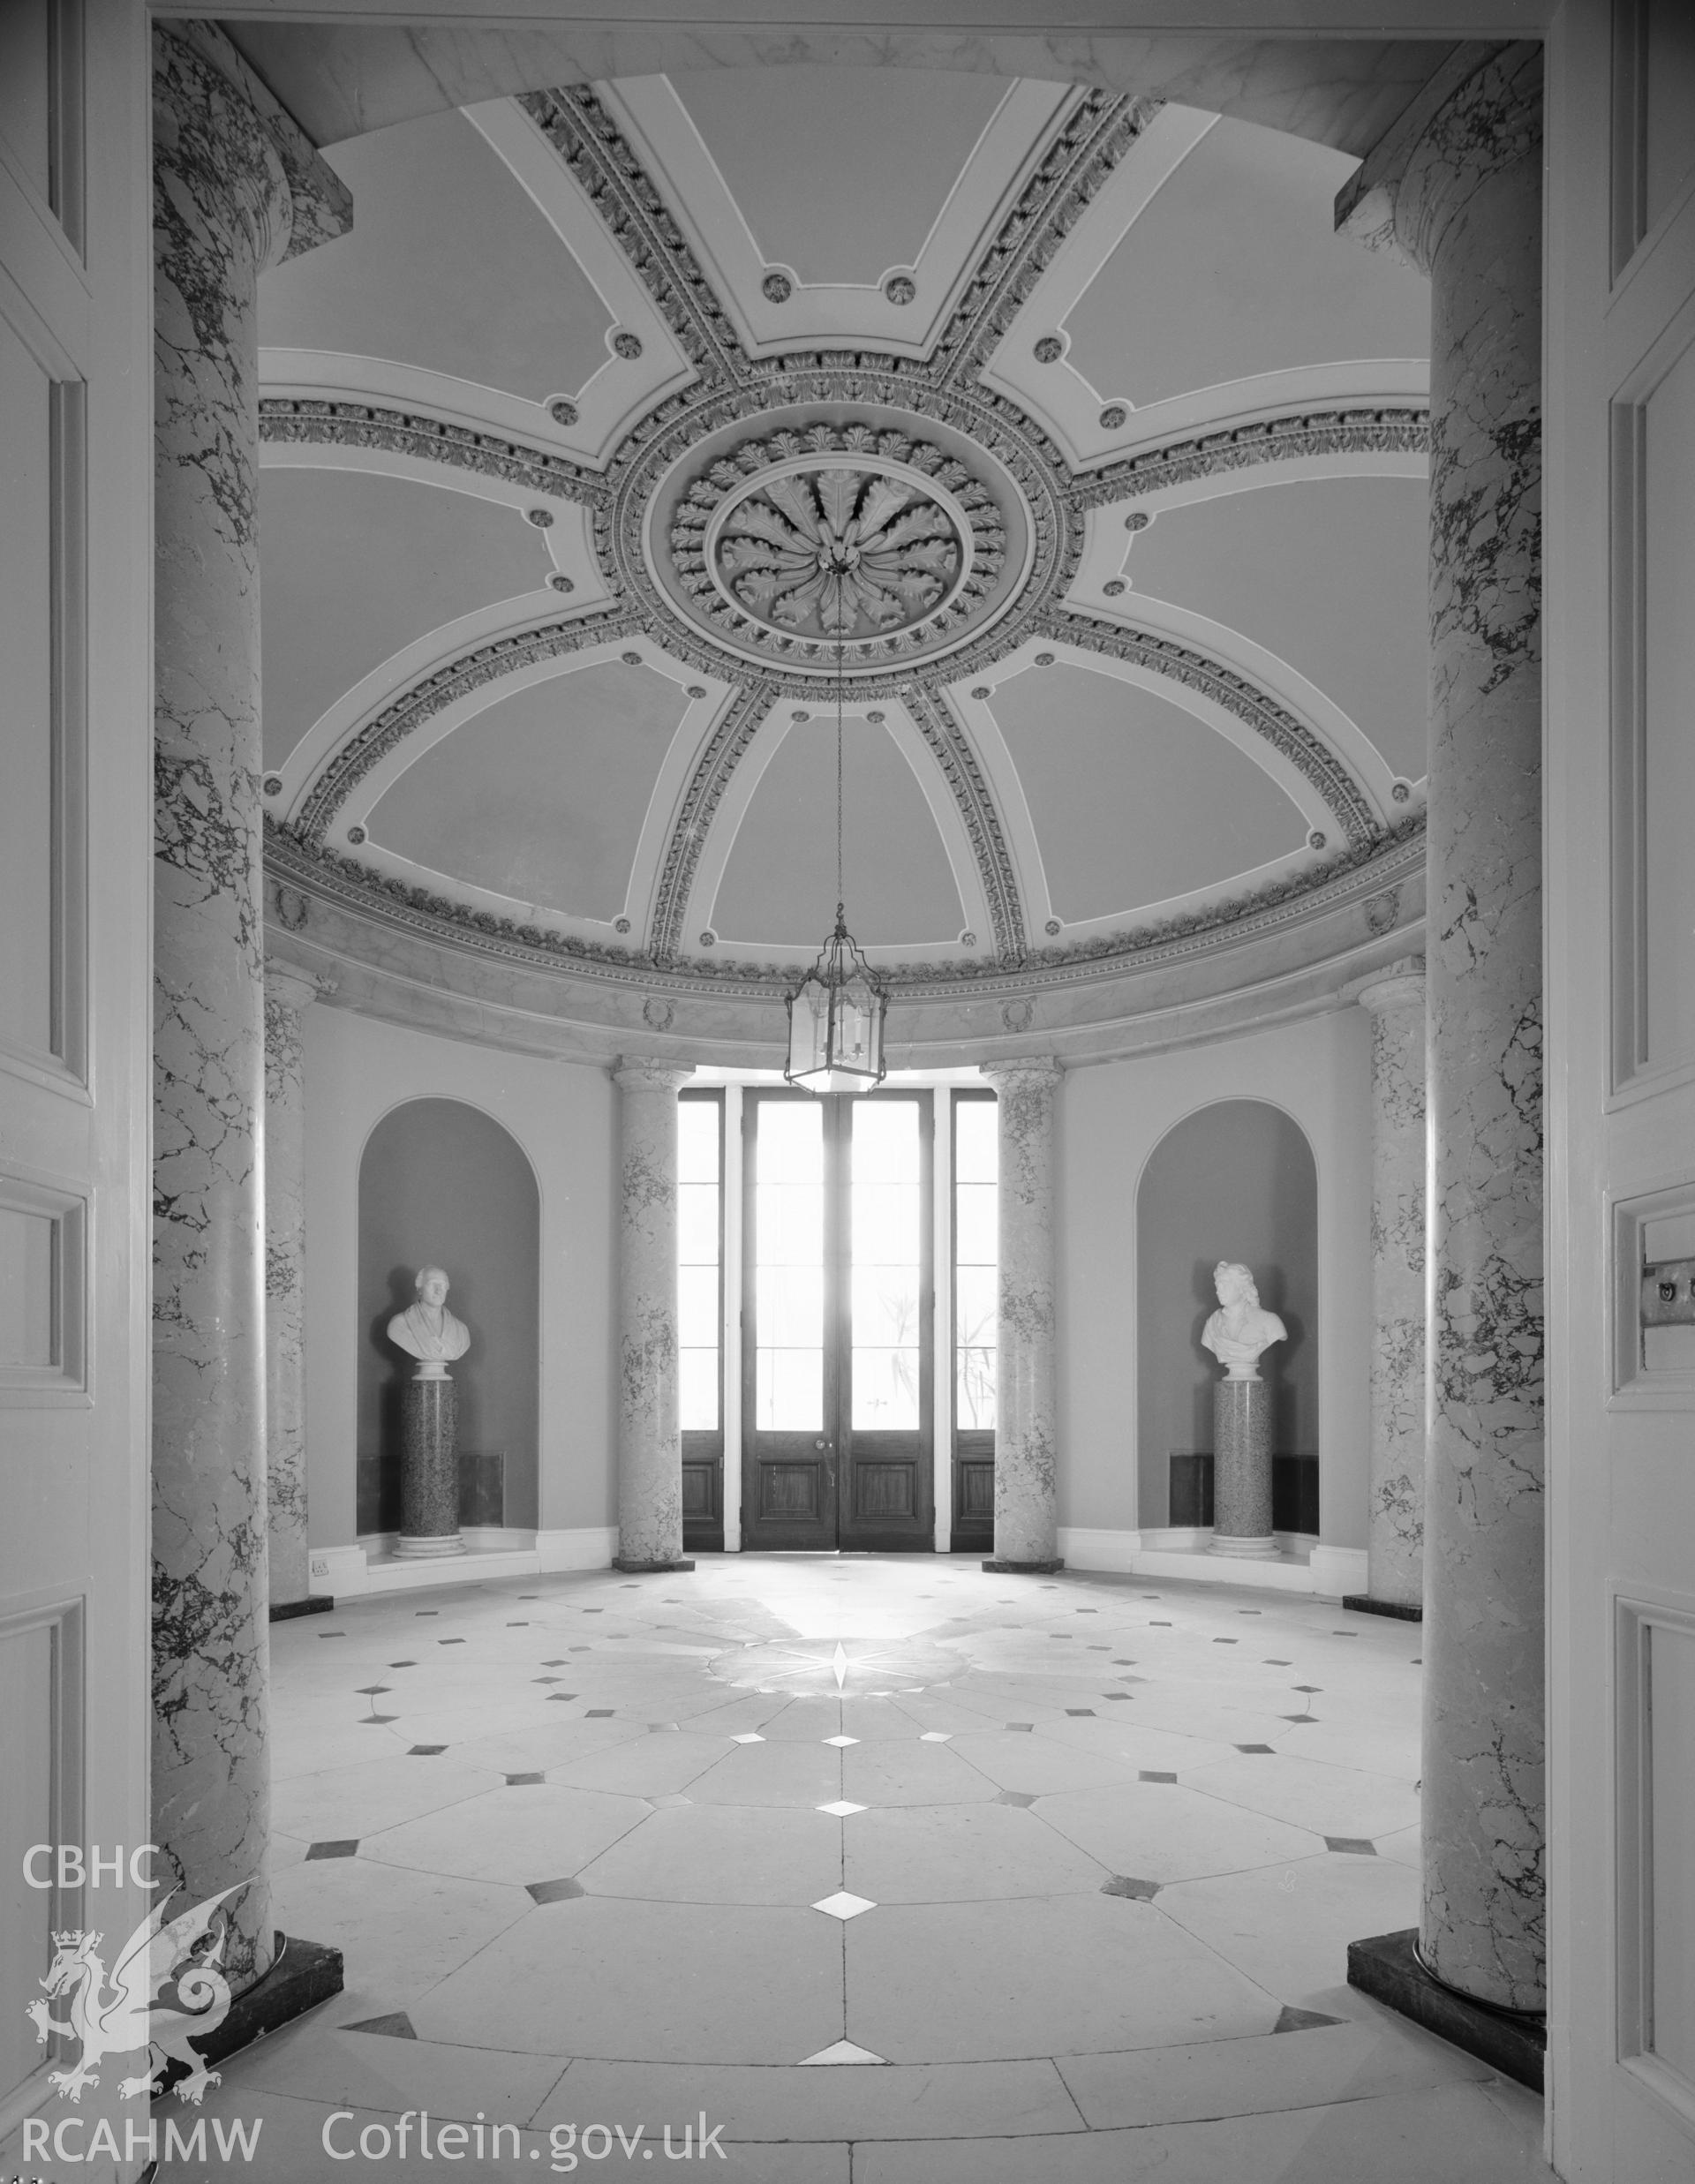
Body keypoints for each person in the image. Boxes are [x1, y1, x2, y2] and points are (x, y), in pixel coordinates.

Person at [1201, 1261, 1285, 1380]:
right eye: (1217, 1286)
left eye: (1224, 1285)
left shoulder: (1269, 1321)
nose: (1218, 1291)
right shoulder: (1212, 1323)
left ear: (1242, 1288)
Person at [388, 1264, 471, 1367]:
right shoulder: (399, 1324)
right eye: (432, 1284)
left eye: (443, 1285)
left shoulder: (461, 1330)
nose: (438, 1290)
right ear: (419, 1289)